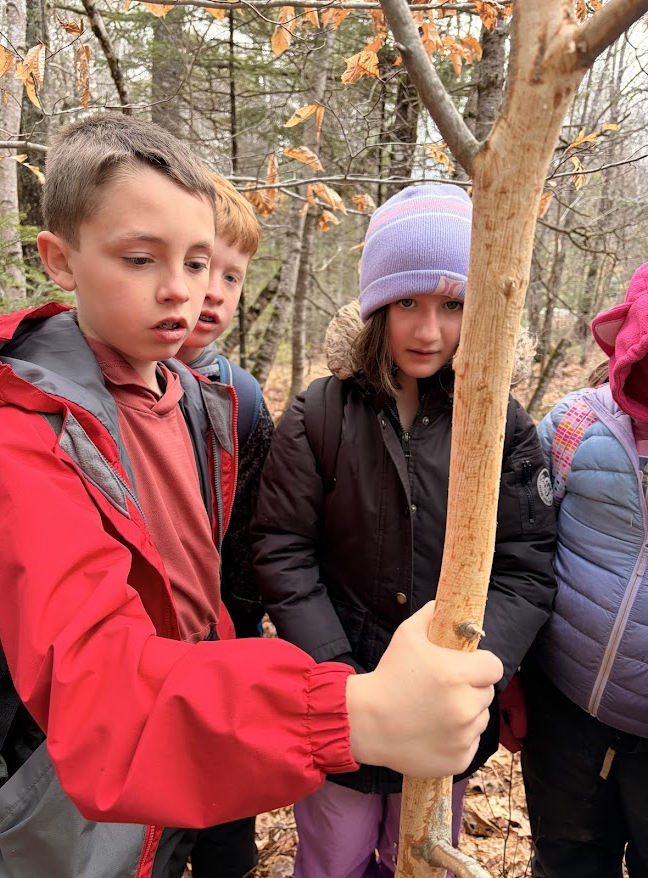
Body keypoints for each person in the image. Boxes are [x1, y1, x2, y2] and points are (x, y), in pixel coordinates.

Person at [0, 116, 503, 878]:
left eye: (200, 262)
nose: (182, 289)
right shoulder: (22, 435)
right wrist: (347, 711)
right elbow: (95, 682)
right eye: (140, 258)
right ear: (60, 259)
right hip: (71, 788)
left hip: (196, 753)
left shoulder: (205, 407)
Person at [251, 183, 558, 878]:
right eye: (406, 304)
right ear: (375, 309)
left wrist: (471, 674)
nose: (427, 332)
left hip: (443, 711)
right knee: (333, 856)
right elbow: (282, 548)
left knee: (416, 858)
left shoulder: (501, 425)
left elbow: (525, 564)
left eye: (452, 306)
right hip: (345, 700)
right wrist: (341, 675)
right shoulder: (321, 413)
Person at [521, 261, 648, 878]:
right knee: (566, 861)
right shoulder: (575, 425)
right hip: (566, 713)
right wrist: (508, 675)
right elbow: (522, 549)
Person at [173, 175, 274, 878]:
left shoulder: (243, 398)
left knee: (224, 832)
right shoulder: (90, 386)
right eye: (198, 265)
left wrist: (239, 634)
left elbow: (251, 539)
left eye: (231, 276)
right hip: (128, 654)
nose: (213, 292)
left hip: (220, 646)